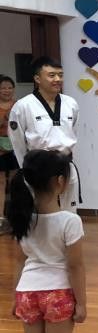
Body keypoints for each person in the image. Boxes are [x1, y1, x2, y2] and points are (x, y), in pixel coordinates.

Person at [8, 149, 87, 333]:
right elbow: (75, 266)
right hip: (58, 293)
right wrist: (81, 303)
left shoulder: (23, 218)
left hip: (27, 293)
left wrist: (15, 297)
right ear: (60, 182)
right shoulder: (70, 221)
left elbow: (20, 261)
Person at [7, 57, 80, 213]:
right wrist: (26, 169)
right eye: (52, 75)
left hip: (65, 163)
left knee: (69, 211)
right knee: (41, 212)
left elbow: (73, 132)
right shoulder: (23, 106)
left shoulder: (71, 103)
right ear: (37, 79)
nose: (57, 79)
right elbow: (17, 141)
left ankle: (66, 230)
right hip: (38, 166)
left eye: (60, 75)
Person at [0, 74, 19, 234]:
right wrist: (4, 118)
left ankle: (15, 217)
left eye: (9, 87)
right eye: (3, 88)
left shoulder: (19, 105)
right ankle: (0, 219)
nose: (7, 90)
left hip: (15, 148)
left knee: (14, 182)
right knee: (0, 183)